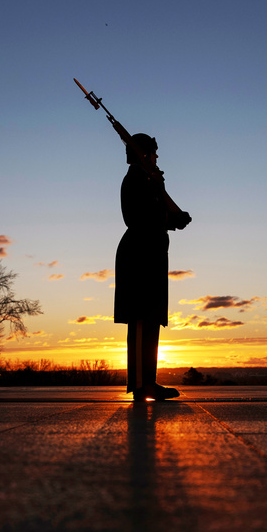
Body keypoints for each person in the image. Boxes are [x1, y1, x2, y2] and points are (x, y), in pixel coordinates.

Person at [113, 133, 191, 402]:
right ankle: (139, 385)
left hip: (152, 253)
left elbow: (153, 216)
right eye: (152, 153)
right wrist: (164, 211)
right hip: (139, 254)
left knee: (151, 319)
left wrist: (173, 219)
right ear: (142, 155)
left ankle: (149, 381)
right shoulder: (136, 180)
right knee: (139, 319)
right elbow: (136, 218)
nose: (157, 158)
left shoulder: (148, 181)